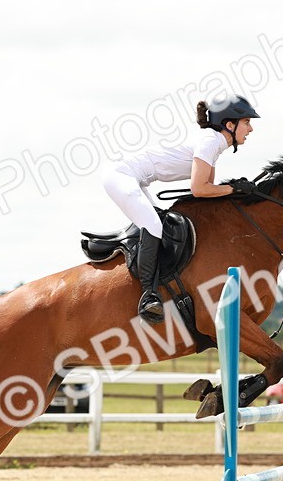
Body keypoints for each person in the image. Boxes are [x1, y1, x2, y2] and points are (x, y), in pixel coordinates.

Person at [103, 95, 260, 324]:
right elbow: (199, 189)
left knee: (162, 227)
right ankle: (148, 295)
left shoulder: (215, 144)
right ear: (230, 124)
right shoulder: (210, 141)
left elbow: (210, 191)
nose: (251, 129)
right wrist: (234, 190)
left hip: (138, 180)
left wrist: (235, 190)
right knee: (154, 226)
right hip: (121, 176)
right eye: (247, 122)